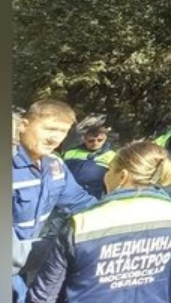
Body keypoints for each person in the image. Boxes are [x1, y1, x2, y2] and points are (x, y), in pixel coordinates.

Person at [27, 141, 171, 303]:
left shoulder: (83, 223)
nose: (105, 176)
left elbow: (43, 296)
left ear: (122, 176)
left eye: (109, 170)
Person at [12, 100, 98, 303]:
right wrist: (60, 250)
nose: (55, 138)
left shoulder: (54, 166)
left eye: (62, 131)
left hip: (26, 268)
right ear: (23, 125)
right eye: (49, 129)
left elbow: (81, 202)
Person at [63, 123, 116, 199]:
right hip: (68, 194)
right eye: (91, 141)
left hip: (93, 196)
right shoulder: (70, 152)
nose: (95, 143)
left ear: (105, 139)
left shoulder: (112, 155)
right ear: (85, 139)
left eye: (100, 140)